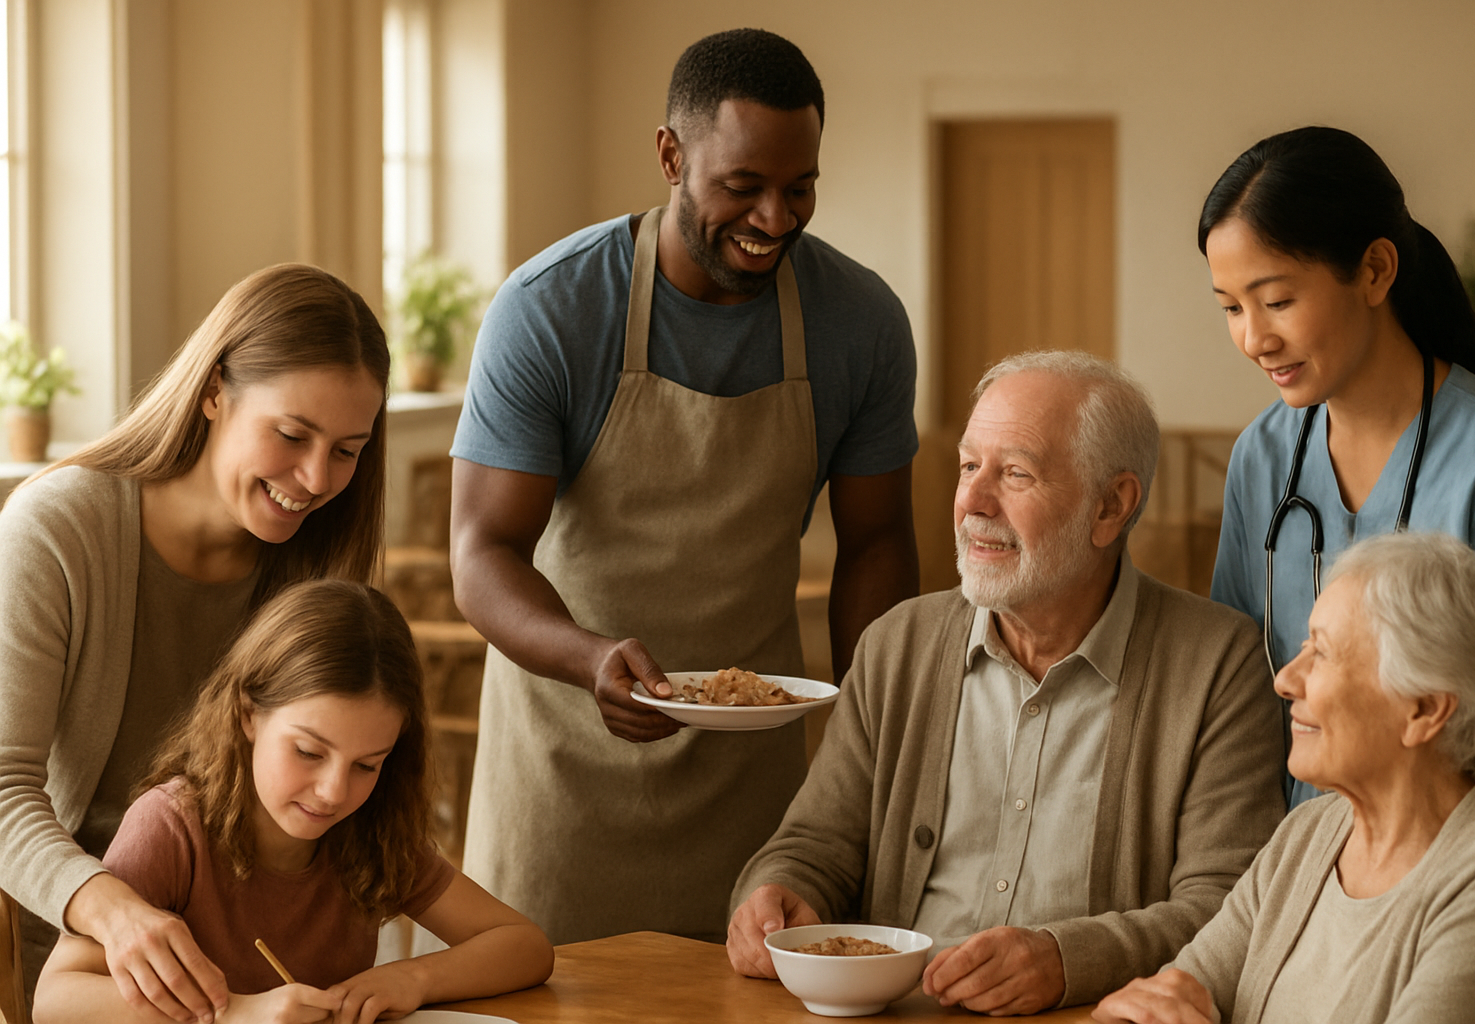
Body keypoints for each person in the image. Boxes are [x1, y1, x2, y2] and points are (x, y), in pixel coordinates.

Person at [449, 28, 920, 944]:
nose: (775, 218)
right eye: (742, 187)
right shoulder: (550, 310)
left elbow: (876, 547)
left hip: (754, 781)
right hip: (562, 754)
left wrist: (870, 745)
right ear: (670, 155)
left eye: (800, 188)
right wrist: (590, 660)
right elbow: (481, 553)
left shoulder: (859, 323)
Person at [727, 352, 1287, 1015]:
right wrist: (780, 890)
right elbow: (817, 843)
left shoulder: (1218, 665)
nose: (973, 501)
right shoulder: (897, 644)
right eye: (969, 467)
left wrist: (1066, 958)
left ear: (1112, 506)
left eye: (1015, 473)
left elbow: (1229, 906)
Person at [0, 263, 390, 1023]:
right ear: (214, 391)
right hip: (100, 967)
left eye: (346, 450)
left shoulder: (317, 558)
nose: (315, 478)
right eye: (291, 434)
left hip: (271, 962)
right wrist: (111, 909)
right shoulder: (57, 529)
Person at [32, 579, 555, 1024]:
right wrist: (235, 1013)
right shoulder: (172, 826)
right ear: (247, 714)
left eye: (367, 765)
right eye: (308, 751)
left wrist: (414, 977)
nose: (333, 792)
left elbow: (524, 945)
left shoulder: (371, 828)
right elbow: (57, 999)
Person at [1199, 126, 1475, 807]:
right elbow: (1232, 685)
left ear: (1376, 270)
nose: (1254, 338)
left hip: (1441, 855)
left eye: (1277, 301)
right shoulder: (1261, 457)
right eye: (1232, 308)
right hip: (1283, 856)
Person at [1094, 533, 1475, 1024]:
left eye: (1321, 653)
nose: (1285, 679)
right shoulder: (1309, 833)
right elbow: (1161, 1004)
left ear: (1423, 710)